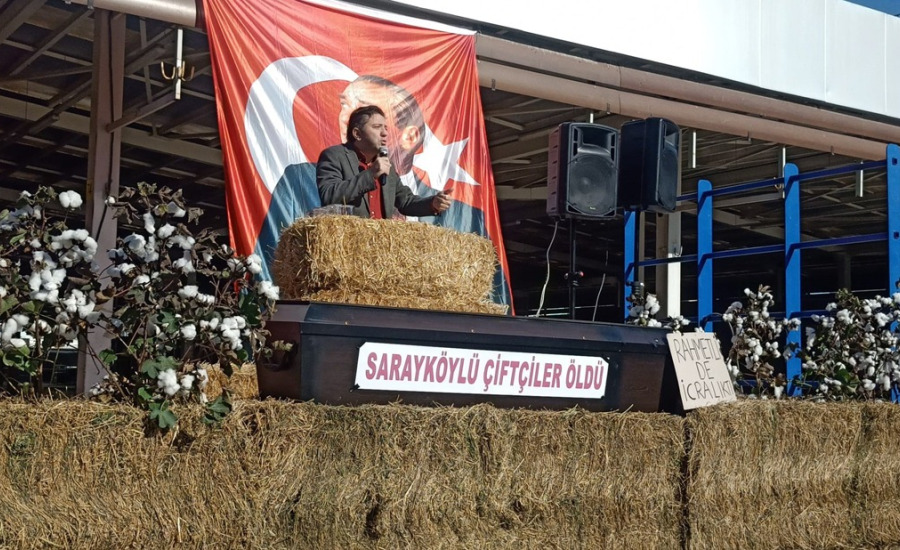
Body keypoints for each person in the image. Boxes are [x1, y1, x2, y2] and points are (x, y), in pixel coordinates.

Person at [316, 105, 452, 219]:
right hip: (349, 244)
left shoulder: (386, 165)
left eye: (386, 128)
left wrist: (432, 204)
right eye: (376, 127)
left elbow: (405, 201)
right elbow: (329, 195)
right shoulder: (334, 156)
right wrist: (370, 174)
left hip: (380, 246)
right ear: (357, 134)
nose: (385, 133)